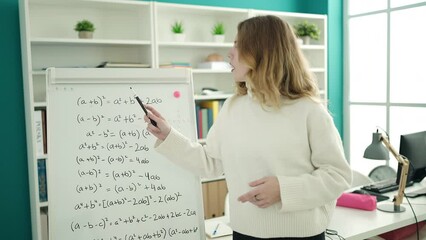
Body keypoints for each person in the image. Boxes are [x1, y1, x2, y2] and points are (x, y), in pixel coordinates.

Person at [143, 15, 352, 240]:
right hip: (244, 234)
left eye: (238, 45)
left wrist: (283, 189)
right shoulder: (233, 107)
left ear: (261, 52)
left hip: (302, 235)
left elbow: (338, 176)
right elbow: (210, 162)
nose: (230, 53)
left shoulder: (308, 110)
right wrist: (168, 136)